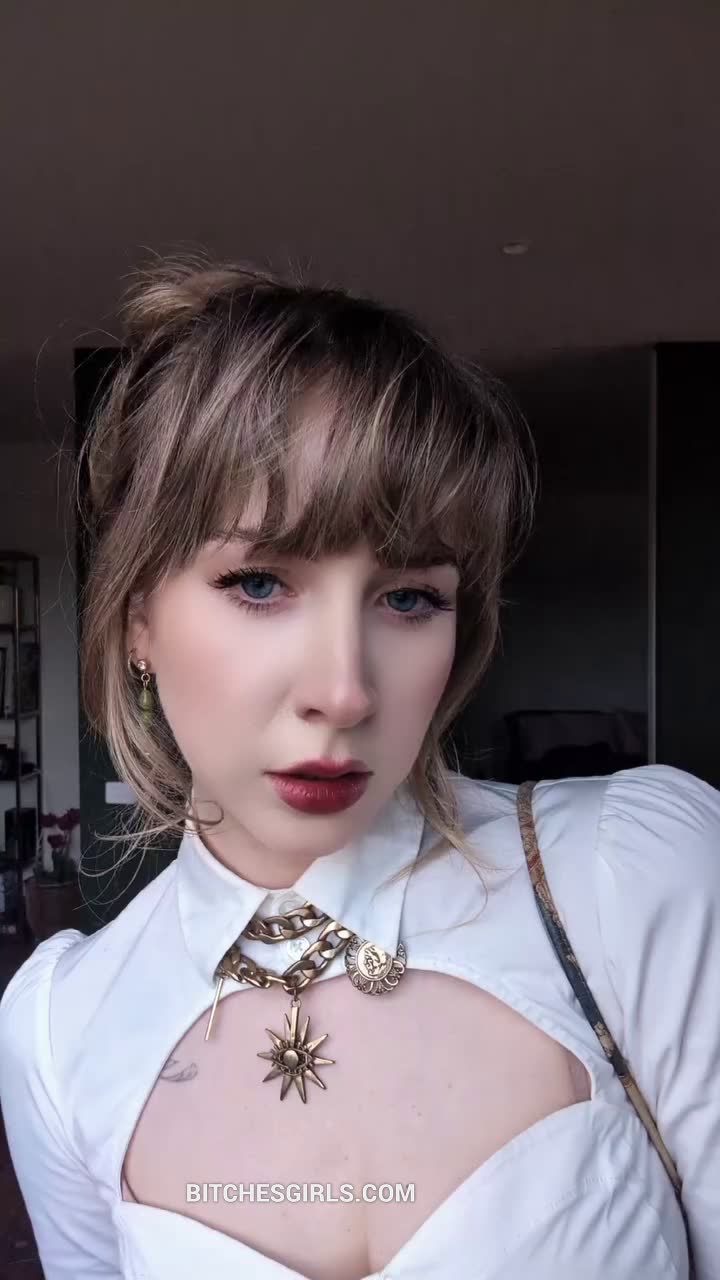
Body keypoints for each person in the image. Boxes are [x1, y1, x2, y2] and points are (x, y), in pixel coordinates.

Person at [0, 255, 718, 1280]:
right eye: (259, 582)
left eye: (410, 597)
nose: (344, 691)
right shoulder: (60, 1028)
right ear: (137, 618)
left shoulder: (629, 874)